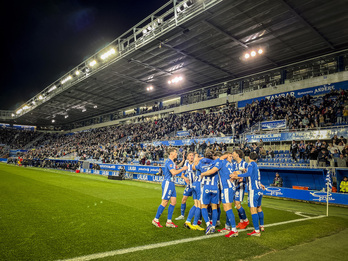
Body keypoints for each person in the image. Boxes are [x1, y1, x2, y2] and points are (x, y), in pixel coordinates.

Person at [201, 151, 239, 238]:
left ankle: (234, 230)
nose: (231, 158)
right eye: (230, 156)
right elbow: (238, 174)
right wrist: (235, 176)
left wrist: (203, 174)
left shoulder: (222, 162)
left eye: (231, 156)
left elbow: (212, 171)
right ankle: (229, 228)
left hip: (226, 187)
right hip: (231, 187)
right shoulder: (230, 164)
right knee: (227, 208)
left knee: (227, 208)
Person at [152, 147, 188, 228]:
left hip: (171, 184)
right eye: (175, 152)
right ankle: (156, 219)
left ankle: (169, 221)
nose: (176, 154)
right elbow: (174, 172)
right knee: (164, 202)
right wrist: (183, 169)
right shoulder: (169, 162)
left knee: (173, 202)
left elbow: (176, 167)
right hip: (168, 183)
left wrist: (183, 161)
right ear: (171, 153)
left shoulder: (171, 162)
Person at [231, 152, 265, 237]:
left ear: (249, 157)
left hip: (253, 190)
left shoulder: (250, 164)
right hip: (259, 189)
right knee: (259, 208)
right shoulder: (256, 166)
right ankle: (262, 226)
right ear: (256, 159)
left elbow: (249, 174)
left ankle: (256, 230)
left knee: (253, 210)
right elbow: (252, 176)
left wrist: (237, 175)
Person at [184, 152, 213, 231]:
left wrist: (198, 158)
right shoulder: (205, 164)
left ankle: (188, 221)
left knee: (196, 204)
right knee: (199, 206)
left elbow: (195, 164)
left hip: (194, 184)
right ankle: (195, 223)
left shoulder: (197, 164)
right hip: (200, 185)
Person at [198, 151, 222, 235]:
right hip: (215, 187)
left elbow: (194, 166)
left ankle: (208, 224)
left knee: (203, 206)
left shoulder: (201, 163)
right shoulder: (215, 163)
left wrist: (200, 158)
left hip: (206, 187)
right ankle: (213, 226)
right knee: (214, 207)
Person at [232, 150, 249, 230]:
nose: (232, 155)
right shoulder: (234, 164)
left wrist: (243, 179)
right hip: (234, 186)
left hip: (240, 186)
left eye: (233, 154)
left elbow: (248, 175)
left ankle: (245, 220)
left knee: (238, 204)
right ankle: (241, 221)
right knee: (236, 205)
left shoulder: (245, 164)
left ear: (237, 155)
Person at [175, 152, 195, 220]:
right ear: (188, 157)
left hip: (196, 186)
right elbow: (182, 175)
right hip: (189, 186)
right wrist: (185, 178)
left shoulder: (196, 163)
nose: (192, 156)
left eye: (192, 155)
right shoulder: (186, 164)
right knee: (183, 200)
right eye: (190, 155)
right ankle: (182, 215)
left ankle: (198, 217)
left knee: (197, 202)